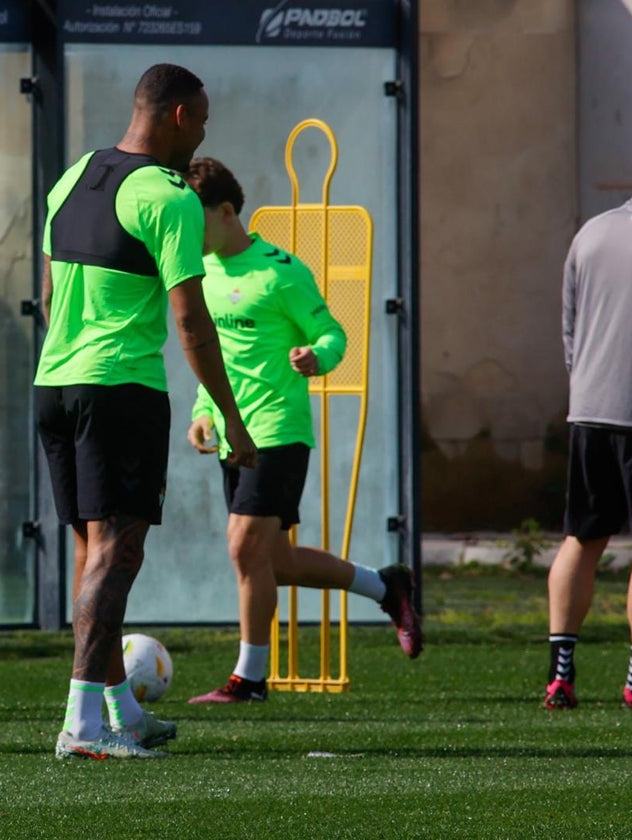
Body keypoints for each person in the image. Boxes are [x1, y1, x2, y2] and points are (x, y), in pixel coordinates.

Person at [34, 64, 257, 761]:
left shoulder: (74, 176)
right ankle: (83, 726)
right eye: (206, 121)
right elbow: (190, 321)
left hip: (55, 383)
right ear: (182, 117)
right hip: (119, 389)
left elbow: (46, 296)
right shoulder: (170, 197)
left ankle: (120, 711)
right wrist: (231, 414)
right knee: (117, 552)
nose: (204, 135)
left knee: (89, 550)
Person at [179, 157, 422, 705]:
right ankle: (387, 585)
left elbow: (333, 333)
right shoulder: (198, 276)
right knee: (273, 562)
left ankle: (249, 679)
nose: (187, 234)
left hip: (277, 433)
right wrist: (201, 409)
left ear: (225, 212)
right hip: (229, 433)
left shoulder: (281, 271)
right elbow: (210, 355)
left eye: (195, 220)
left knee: (243, 548)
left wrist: (318, 355)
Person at [544, 142, 632, 711]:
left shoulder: (591, 232)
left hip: (589, 406)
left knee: (581, 538)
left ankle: (560, 673)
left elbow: (570, 329)